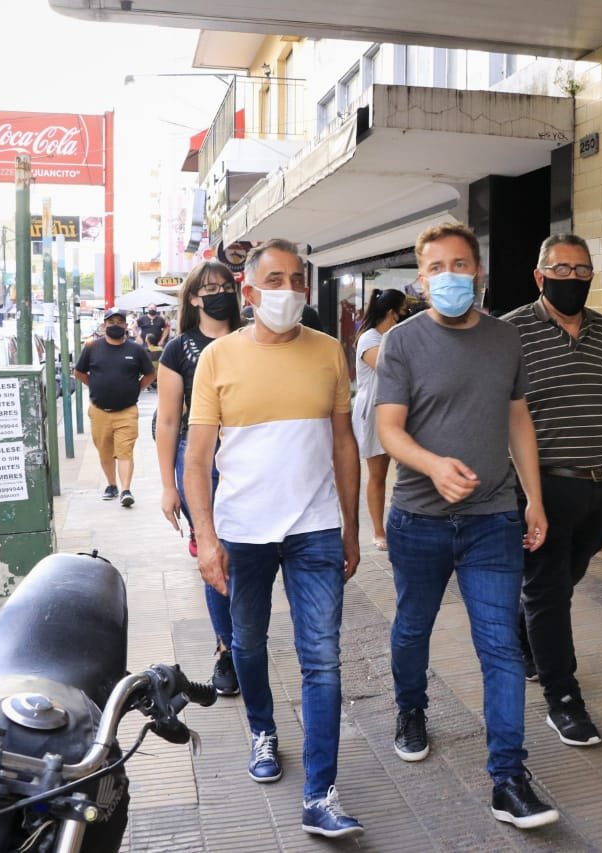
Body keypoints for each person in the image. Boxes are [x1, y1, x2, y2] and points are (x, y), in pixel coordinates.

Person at [375, 222, 559, 830]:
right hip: (419, 519)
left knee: (501, 647)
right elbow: (389, 429)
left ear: (478, 271)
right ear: (421, 278)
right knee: (411, 630)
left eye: (461, 265)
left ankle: (508, 777)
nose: (451, 276)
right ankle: (411, 708)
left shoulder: (505, 340)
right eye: (438, 267)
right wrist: (432, 464)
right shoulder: (401, 342)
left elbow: (519, 421)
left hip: (491, 520)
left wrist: (533, 498)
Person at [185, 239, 364, 839]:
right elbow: (197, 457)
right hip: (243, 533)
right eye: (275, 281)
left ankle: (321, 793)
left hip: (315, 530)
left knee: (323, 659)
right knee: (248, 643)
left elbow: (344, 443)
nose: (287, 291)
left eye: (297, 280)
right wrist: (206, 538)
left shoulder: (330, 352)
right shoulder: (218, 358)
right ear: (250, 292)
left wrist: (351, 525)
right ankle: (263, 728)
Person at [501, 233, 602, 749]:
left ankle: (525, 631)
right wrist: (525, 495)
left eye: (581, 270)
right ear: (539, 276)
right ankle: (564, 698)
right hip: (544, 489)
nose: (572, 279)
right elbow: (502, 417)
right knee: (550, 589)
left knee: (562, 580)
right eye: (561, 269)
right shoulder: (510, 333)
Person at [155, 260, 241, 696]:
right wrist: (169, 485)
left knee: (247, 556)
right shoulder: (179, 349)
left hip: (249, 460)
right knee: (216, 555)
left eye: (226, 285)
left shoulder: (252, 339)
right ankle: (228, 649)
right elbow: (168, 421)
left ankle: (246, 641)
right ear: (193, 297)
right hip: (200, 463)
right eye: (210, 287)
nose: (219, 292)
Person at [73, 306, 155, 507]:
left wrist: (136, 389)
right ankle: (111, 484)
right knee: (105, 451)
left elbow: (150, 374)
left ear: (126, 326)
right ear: (104, 325)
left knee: (125, 451)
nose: (115, 326)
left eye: (119, 322)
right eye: (111, 322)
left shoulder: (136, 350)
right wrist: (95, 385)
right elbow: (79, 372)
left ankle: (126, 490)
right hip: (99, 411)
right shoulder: (92, 348)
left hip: (127, 411)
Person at [352, 288, 407, 550]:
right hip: (372, 412)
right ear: (391, 313)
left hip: (394, 409)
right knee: (378, 473)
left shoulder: (390, 336)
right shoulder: (369, 339)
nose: (407, 314)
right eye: (404, 309)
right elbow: (389, 368)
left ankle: (401, 524)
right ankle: (378, 530)